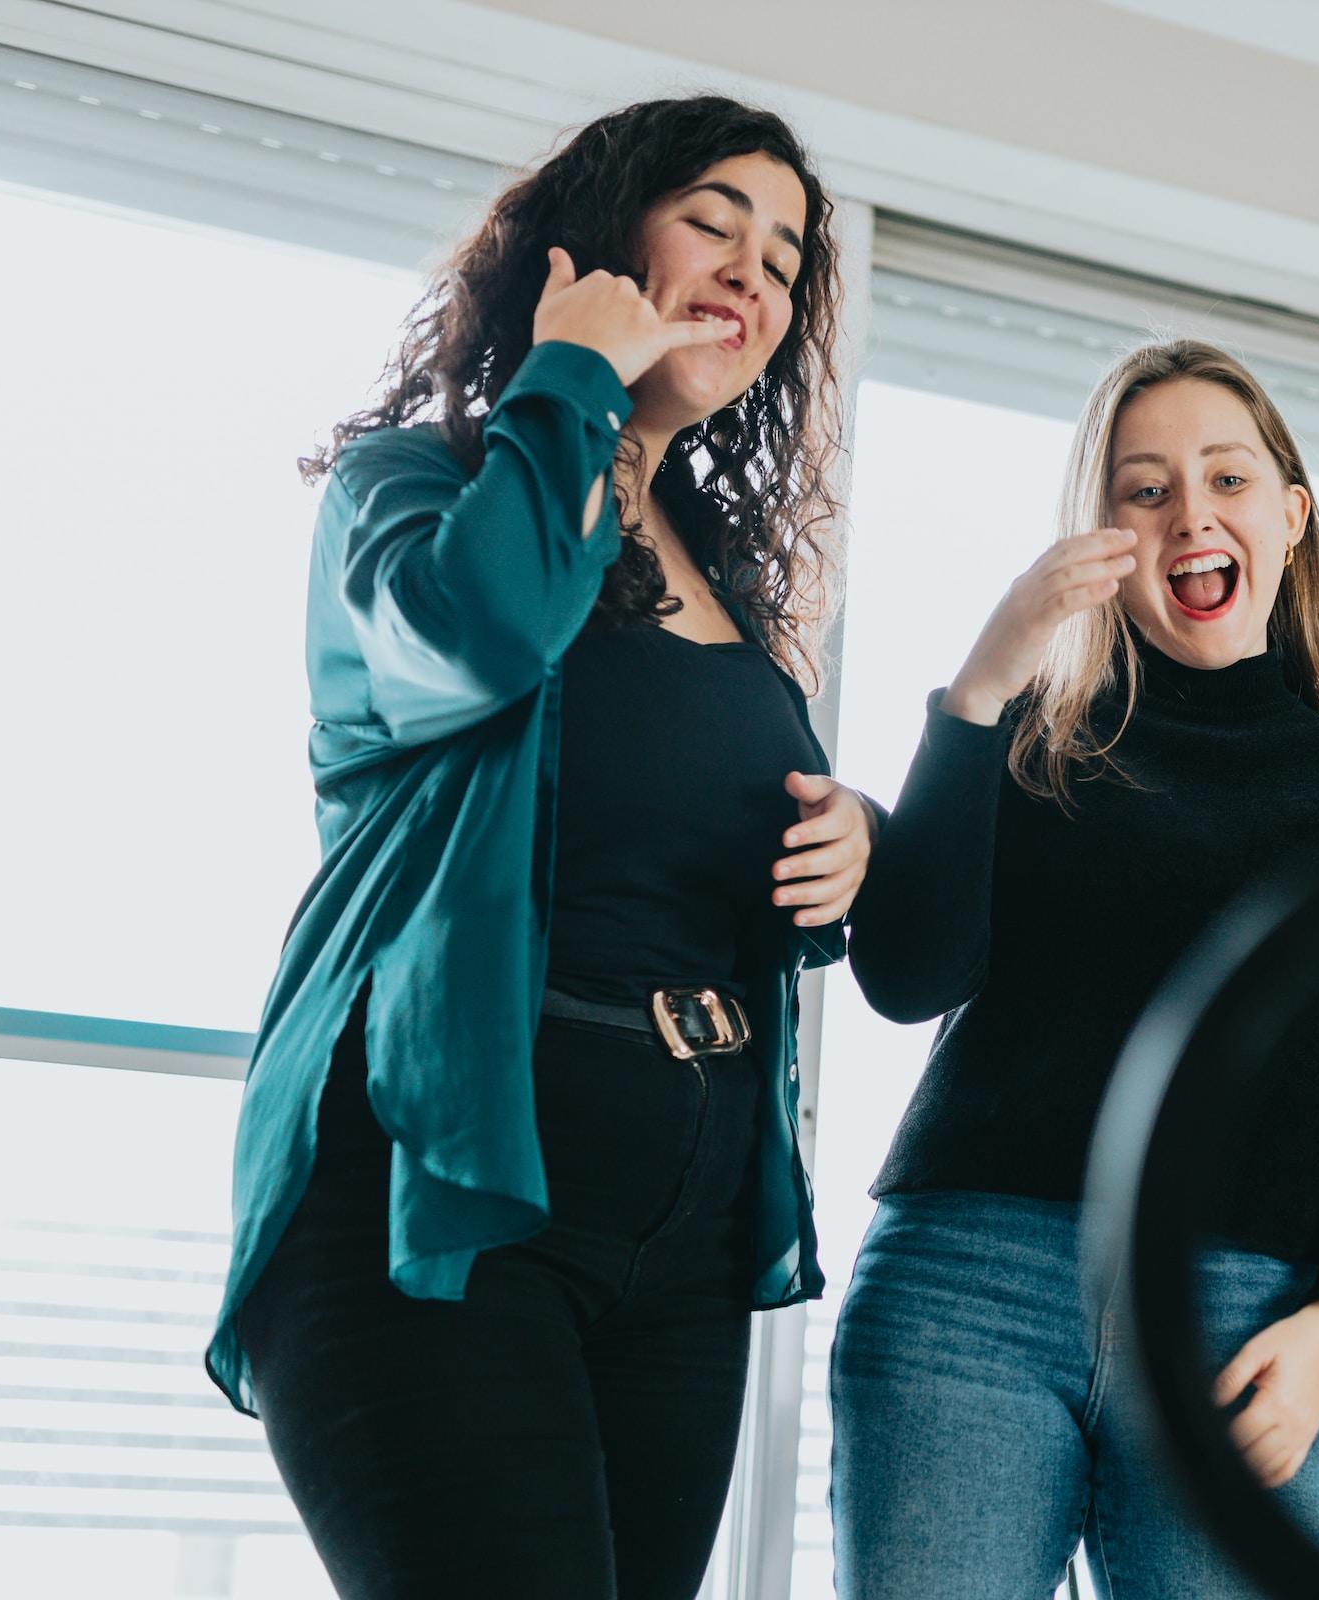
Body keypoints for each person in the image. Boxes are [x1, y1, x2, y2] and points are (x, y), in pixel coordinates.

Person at [204, 96, 875, 1600]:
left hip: (684, 1233)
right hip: (437, 1190)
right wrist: (575, 370)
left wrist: (856, 843)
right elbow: (486, 634)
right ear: (600, 239)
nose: (753, 275)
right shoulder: (414, 489)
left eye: (784, 260)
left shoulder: (734, 589)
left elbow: (735, 875)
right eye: (715, 221)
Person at [828, 339, 1319, 1598]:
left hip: (1245, 1312)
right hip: (967, 1287)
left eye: (1227, 479)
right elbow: (905, 973)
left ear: (1290, 514)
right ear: (1102, 534)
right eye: (1145, 488)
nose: (1192, 515)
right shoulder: (1021, 740)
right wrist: (980, 683)